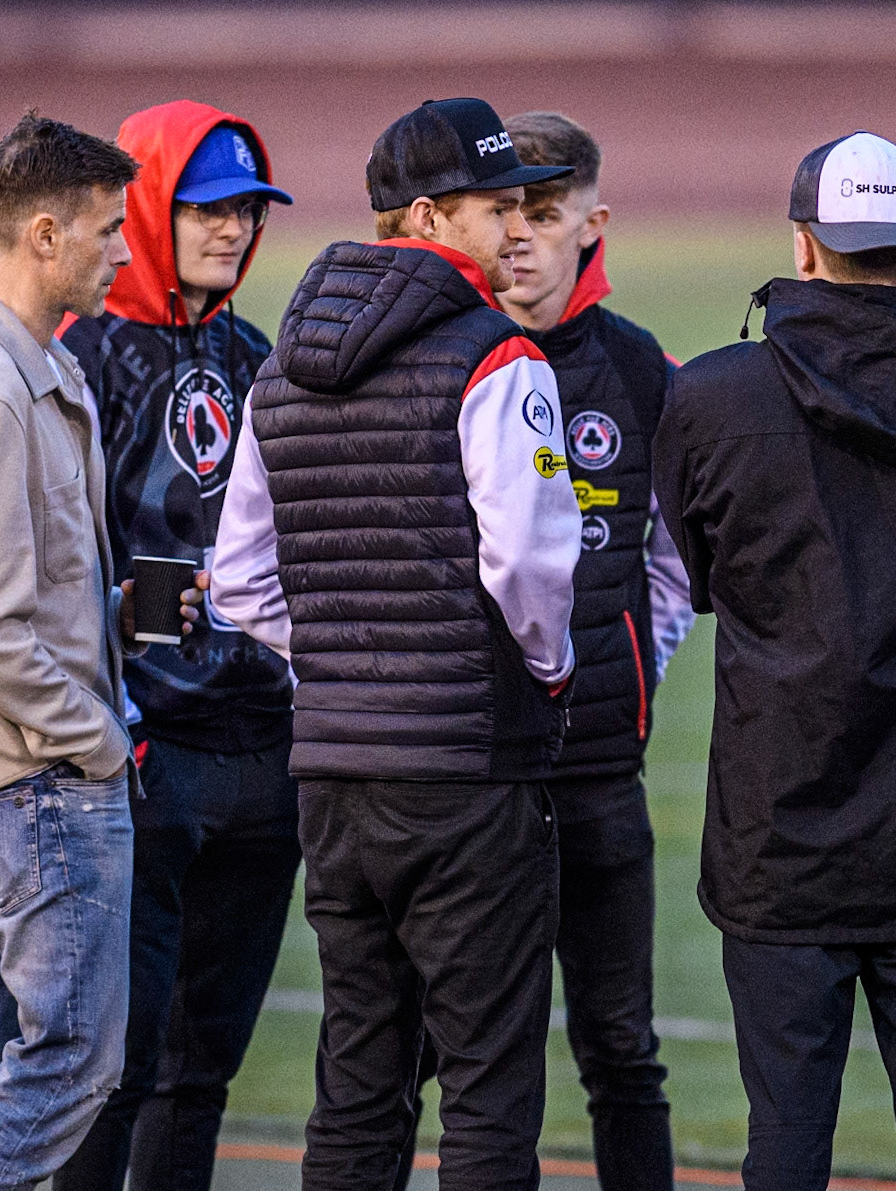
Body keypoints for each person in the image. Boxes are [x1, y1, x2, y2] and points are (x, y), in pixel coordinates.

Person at [654, 130, 896, 1191]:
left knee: (784, 1131)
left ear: (802, 243)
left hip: (779, 827)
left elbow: (702, 575)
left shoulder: (711, 397)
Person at [210, 97, 581, 1190]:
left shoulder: (280, 367)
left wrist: (340, 658)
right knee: (489, 1083)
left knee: (360, 1075)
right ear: (424, 217)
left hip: (334, 776)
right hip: (468, 771)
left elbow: (240, 579)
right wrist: (547, 672)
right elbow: (530, 564)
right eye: (495, 207)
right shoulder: (499, 359)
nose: (516, 228)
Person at [0, 111, 198, 1189]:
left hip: (8, 782)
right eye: (109, 230)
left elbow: (17, 592)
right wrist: (97, 740)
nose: (124, 252)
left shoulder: (16, 365)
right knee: (71, 1062)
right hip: (35, 786)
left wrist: (120, 612)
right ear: (44, 234)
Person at [53, 101, 300, 1191]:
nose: (233, 228)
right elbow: (56, 556)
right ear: (149, 207)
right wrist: (147, 648)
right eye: (207, 208)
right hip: (147, 750)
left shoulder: (258, 354)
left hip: (264, 750)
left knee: (203, 1073)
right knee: (114, 1063)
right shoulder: (82, 355)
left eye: (247, 209)